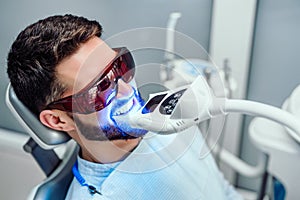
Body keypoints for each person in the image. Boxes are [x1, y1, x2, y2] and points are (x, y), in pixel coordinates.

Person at [7, 14, 243, 199]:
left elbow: (221, 190)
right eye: (100, 88)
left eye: (120, 67)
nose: (127, 90)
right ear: (58, 120)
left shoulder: (173, 118)